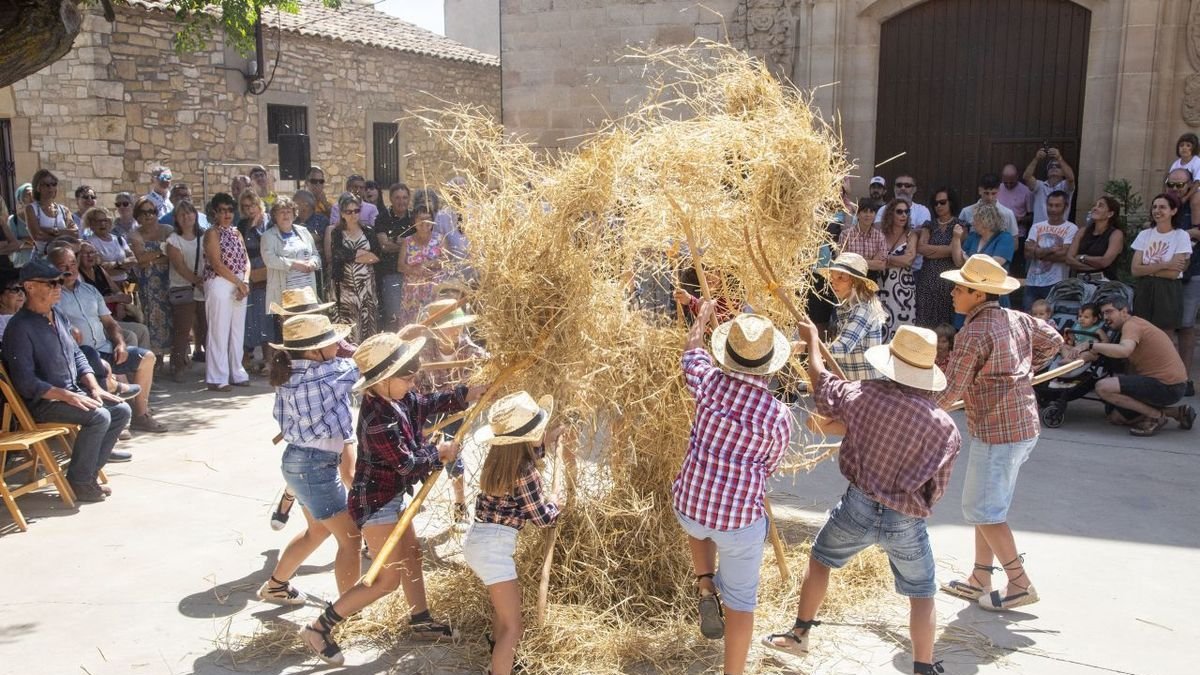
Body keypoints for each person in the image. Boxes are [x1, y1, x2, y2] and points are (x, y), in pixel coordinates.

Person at [762, 324, 959, 675]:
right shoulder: (945, 427)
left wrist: (813, 344)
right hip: (907, 518)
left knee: (821, 560)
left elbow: (822, 387)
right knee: (923, 592)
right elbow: (937, 488)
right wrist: (915, 506)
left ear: (890, 363)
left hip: (858, 504)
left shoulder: (863, 395)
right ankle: (923, 667)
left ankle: (799, 634)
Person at [299, 332, 486, 666]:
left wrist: (467, 395)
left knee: (412, 554)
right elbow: (406, 465)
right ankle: (318, 628)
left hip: (392, 498)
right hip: (376, 504)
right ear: (383, 380)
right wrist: (439, 453)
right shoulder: (378, 420)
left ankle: (421, 621)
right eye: (407, 376)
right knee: (385, 580)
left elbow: (429, 403)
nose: (413, 381)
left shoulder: (399, 399)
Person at [936, 254, 1062, 611]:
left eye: (959, 289)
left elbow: (950, 391)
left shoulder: (973, 333)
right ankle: (980, 577)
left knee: (984, 509)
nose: (953, 295)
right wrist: (1024, 369)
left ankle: (1019, 582)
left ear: (978, 294)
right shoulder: (1017, 318)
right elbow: (1052, 339)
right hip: (1021, 424)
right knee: (986, 505)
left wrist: (915, 405)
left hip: (998, 430)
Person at [672, 302, 791, 675]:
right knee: (742, 603)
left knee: (700, 513)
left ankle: (706, 584)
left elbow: (691, 352)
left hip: (688, 506)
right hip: (738, 522)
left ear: (728, 355)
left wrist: (702, 320)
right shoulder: (778, 416)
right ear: (771, 366)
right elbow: (769, 467)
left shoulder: (707, 384)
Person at [1, 260, 133, 501]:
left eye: (59, 282)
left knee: (121, 410)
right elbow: (26, 383)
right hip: (43, 402)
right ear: (29, 287)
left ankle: (86, 475)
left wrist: (94, 388)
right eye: (51, 283)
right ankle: (80, 482)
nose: (57, 287)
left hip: (71, 392)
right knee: (98, 416)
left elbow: (77, 354)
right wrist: (66, 395)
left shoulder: (57, 314)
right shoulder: (20, 328)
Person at [256, 314, 362, 606]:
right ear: (315, 351)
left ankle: (276, 586)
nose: (338, 347)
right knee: (351, 539)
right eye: (332, 343)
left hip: (297, 461)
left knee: (317, 531)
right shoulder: (327, 373)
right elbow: (368, 362)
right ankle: (346, 609)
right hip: (315, 466)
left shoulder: (289, 372)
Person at [465, 391, 564, 675]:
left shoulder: (500, 461)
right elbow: (542, 518)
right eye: (540, 430)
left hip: (478, 540)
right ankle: (500, 669)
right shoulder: (525, 472)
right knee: (514, 625)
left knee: (503, 612)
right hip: (494, 550)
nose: (543, 432)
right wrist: (555, 503)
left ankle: (499, 657)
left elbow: (529, 457)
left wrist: (550, 441)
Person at [50, 246, 165, 434]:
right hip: (81, 357)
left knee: (148, 357)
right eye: (63, 265)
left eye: (72, 263)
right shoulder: (52, 295)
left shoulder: (90, 291)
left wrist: (120, 343)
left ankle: (141, 415)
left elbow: (110, 323)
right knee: (103, 366)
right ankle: (118, 421)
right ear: (53, 268)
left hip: (105, 347)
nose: (69, 269)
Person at [1075, 298, 1195, 436]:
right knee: (1116, 418)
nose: (1106, 317)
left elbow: (1124, 350)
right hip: (1169, 384)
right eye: (1103, 314)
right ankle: (1177, 412)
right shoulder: (1132, 324)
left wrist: (1091, 345)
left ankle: (1155, 416)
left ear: (1124, 311)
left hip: (1168, 386)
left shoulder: (1131, 325)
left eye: (1109, 312)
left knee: (1103, 387)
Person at [414, 299, 487, 524]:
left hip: (456, 411)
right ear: (436, 330)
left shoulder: (469, 349)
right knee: (419, 452)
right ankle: (414, 499)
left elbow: (486, 366)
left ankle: (459, 502)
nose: (458, 330)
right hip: (428, 408)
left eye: (459, 325)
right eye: (451, 326)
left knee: (454, 453)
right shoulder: (423, 351)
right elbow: (414, 384)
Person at [202, 192, 252, 391]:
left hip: (239, 281)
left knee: (237, 331)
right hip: (220, 282)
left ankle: (237, 372)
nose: (226, 214)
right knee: (219, 330)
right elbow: (216, 263)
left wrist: (245, 282)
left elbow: (246, 259)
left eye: (230, 210)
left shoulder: (236, 232)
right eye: (222, 210)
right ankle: (217, 377)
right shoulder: (211, 233)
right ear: (215, 212)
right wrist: (239, 283)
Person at [808, 252, 885, 380]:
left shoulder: (864, 309)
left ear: (855, 282)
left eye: (841, 278)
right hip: (853, 384)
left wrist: (808, 345)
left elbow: (842, 347)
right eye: (833, 277)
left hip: (866, 387)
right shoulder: (846, 307)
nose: (833, 282)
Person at [262, 196, 320, 348]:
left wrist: (313, 263)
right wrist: (294, 264)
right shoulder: (268, 236)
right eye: (281, 212)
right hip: (285, 294)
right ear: (274, 216)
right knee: (288, 334)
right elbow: (270, 260)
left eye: (288, 211)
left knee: (307, 331)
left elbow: (315, 254)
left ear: (294, 214)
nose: (286, 215)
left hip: (306, 292)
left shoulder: (304, 232)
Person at [326, 193, 382, 342]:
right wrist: (361, 253)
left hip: (366, 287)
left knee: (367, 324)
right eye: (348, 212)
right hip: (345, 288)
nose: (353, 215)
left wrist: (351, 255)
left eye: (356, 211)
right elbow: (338, 254)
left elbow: (376, 256)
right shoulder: (337, 233)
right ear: (342, 213)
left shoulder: (368, 231)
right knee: (349, 327)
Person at [1131, 194, 1190, 333]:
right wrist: (1165, 264)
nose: (1157, 210)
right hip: (1144, 287)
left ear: (1173, 211)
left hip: (1167, 290)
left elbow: (1174, 273)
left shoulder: (1181, 235)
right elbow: (1135, 270)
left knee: (1165, 334)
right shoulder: (1144, 234)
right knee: (1141, 332)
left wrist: (1147, 269)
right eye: (1155, 207)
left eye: (1162, 207)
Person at [165, 200, 208, 381]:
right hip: (183, 287)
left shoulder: (205, 237)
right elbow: (179, 266)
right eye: (182, 214)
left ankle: (213, 365)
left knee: (206, 328)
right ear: (176, 218)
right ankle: (178, 366)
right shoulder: (173, 240)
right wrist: (197, 281)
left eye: (189, 212)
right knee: (182, 330)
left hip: (203, 288)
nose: (186, 217)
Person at [129, 202, 175, 357]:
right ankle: (157, 356)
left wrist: (152, 258)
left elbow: (173, 256)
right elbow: (140, 259)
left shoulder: (167, 230)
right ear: (138, 215)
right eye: (144, 212)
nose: (149, 215)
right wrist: (162, 252)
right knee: (151, 318)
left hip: (169, 280)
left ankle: (175, 356)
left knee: (172, 316)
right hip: (148, 285)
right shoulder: (135, 234)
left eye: (152, 211)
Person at [1023, 190, 1078, 310]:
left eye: (1057, 205)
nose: (1053, 209)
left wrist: (1037, 251)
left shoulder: (1071, 228)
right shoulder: (1036, 226)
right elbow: (1027, 252)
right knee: (1028, 317)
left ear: (1066, 207)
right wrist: (1051, 250)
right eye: (1050, 205)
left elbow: (1064, 255)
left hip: (1055, 283)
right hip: (1032, 282)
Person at [397, 198, 447, 327]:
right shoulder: (407, 241)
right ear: (414, 221)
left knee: (433, 325)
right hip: (412, 293)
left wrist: (429, 264)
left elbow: (446, 261)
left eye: (428, 218)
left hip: (433, 291)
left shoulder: (440, 239)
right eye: (420, 219)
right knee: (412, 328)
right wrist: (414, 270)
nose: (425, 222)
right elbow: (400, 266)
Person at [915, 187, 960, 328]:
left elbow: (954, 250)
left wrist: (931, 250)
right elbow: (921, 248)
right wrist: (945, 250)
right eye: (935, 203)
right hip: (927, 280)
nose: (938, 206)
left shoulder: (959, 225)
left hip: (948, 281)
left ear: (951, 203)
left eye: (942, 202)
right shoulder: (929, 225)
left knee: (946, 324)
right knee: (925, 322)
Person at [238, 188, 272, 371]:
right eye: (245, 206)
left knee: (265, 315)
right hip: (249, 270)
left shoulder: (268, 221)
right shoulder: (243, 224)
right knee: (249, 317)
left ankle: (268, 359)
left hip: (266, 269)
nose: (250, 209)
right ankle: (245, 359)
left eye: (252, 205)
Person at [878, 199, 918, 341]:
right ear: (890, 214)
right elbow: (876, 259)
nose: (903, 215)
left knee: (901, 327)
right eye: (899, 212)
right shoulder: (881, 233)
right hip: (881, 286)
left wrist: (887, 259)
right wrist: (896, 261)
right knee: (882, 324)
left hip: (903, 289)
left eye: (906, 212)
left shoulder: (911, 235)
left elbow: (908, 260)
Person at [375, 183, 412, 329]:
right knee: (395, 316)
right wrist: (407, 244)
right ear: (390, 199)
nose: (401, 201)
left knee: (413, 314)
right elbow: (384, 245)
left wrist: (395, 241)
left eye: (404, 197)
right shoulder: (382, 218)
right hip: (391, 274)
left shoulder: (414, 218)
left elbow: (420, 245)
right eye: (397, 197)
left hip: (412, 274)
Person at [1065, 196, 1125, 282]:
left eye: (1100, 206)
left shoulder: (1116, 234)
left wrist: (1082, 258)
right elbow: (1069, 259)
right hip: (1079, 281)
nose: (1095, 208)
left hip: (1104, 282)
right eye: (1095, 205)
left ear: (1110, 214)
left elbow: (1104, 261)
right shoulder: (1083, 231)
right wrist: (1093, 267)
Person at [25, 169, 78, 255]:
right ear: (38, 187)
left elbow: (75, 232)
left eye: (54, 184)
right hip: (43, 256)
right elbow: (37, 235)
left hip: (65, 254)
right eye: (47, 185)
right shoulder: (31, 208)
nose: (51, 188)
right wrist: (64, 236)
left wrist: (54, 231)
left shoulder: (64, 210)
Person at [85, 205, 136, 289]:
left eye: (106, 220)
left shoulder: (119, 239)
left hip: (125, 285)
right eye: (98, 221)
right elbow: (100, 268)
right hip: (105, 286)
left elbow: (133, 260)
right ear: (91, 224)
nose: (103, 224)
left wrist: (115, 265)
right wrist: (123, 265)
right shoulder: (90, 243)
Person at [1022, 147, 1076, 227]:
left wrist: (1059, 158)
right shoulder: (1039, 186)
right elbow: (1026, 177)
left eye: (1057, 166)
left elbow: (1071, 178)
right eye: (1051, 166)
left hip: (1059, 231)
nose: (1054, 167)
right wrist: (1036, 159)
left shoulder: (1065, 186)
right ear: (1047, 172)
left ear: (1063, 172)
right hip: (1038, 232)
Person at [838, 199, 887, 277]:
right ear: (857, 214)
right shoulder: (845, 235)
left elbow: (881, 265)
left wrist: (854, 261)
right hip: (850, 278)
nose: (868, 215)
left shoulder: (880, 237)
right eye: (864, 211)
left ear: (875, 215)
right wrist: (871, 262)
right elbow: (842, 262)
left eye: (871, 212)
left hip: (871, 279)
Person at [5, 183, 36, 268]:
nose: (31, 197)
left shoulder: (41, 218)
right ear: (20, 200)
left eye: (33, 194)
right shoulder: (13, 220)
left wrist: (24, 241)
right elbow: (14, 244)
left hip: (40, 265)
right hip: (21, 265)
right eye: (27, 194)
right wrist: (34, 243)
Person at [998, 164, 1034, 237]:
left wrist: (1019, 220)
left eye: (1012, 182)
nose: (1008, 185)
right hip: (998, 233)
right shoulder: (997, 189)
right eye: (1005, 182)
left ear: (1017, 177)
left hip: (1018, 234)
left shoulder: (1026, 191)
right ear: (1002, 178)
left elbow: (1032, 216)